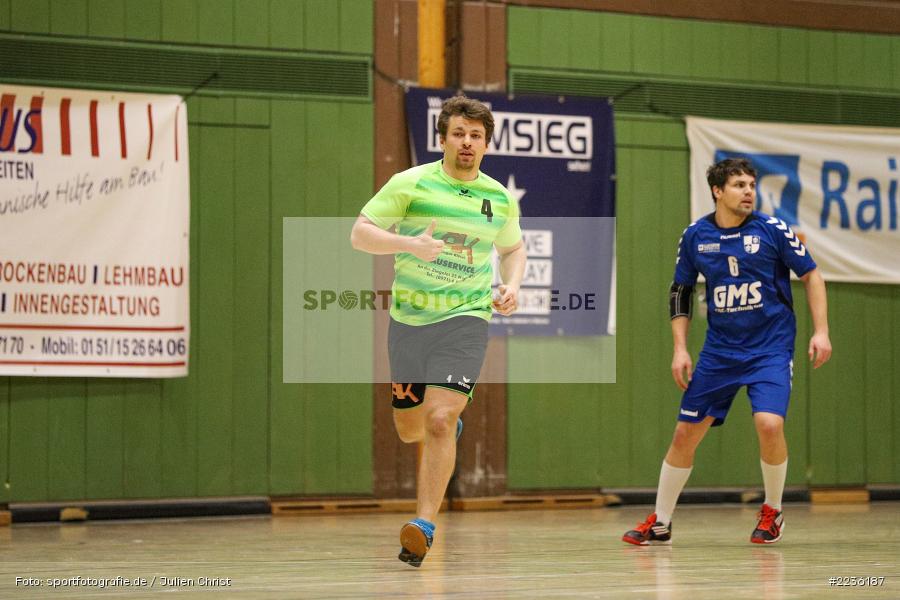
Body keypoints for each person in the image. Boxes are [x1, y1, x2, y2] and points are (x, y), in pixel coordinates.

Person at [350, 95, 525, 566]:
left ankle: (424, 525)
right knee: (410, 429)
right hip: (409, 321)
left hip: (466, 319)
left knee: (440, 420)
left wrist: (511, 285)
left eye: (476, 136)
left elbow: (513, 249)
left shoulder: (499, 197)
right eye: (459, 134)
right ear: (443, 138)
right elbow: (360, 233)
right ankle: (442, 422)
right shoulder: (410, 183)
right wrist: (409, 243)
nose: (467, 142)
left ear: (486, 143)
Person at [622, 157, 832, 546]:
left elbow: (811, 274)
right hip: (720, 352)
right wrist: (680, 349)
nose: (748, 191)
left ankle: (773, 511)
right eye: (738, 185)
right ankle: (661, 520)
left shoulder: (771, 229)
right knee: (685, 433)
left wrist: (821, 331)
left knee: (769, 424)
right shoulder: (696, 235)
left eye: (751, 185)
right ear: (718, 191)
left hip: (769, 347)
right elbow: (680, 291)